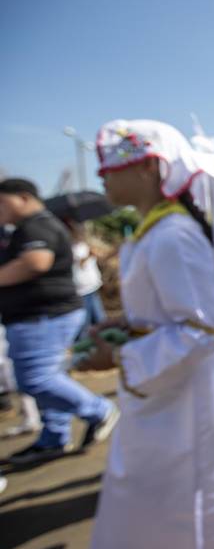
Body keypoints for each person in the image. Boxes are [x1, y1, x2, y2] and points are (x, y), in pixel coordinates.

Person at [82, 120, 214, 549]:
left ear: (150, 167)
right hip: (163, 403)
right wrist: (126, 326)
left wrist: (120, 354)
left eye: (113, 164)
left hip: (185, 416)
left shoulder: (173, 235)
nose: (103, 175)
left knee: (182, 528)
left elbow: (205, 332)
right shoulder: (157, 232)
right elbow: (174, 317)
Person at [0, 178, 117, 465]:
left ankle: (98, 409)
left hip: (44, 315)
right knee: (47, 375)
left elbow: (35, 262)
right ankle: (54, 436)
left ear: (23, 197)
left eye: (2, 201)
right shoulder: (29, 228)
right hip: (39, 314)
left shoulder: (37, 226)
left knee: (36, 378)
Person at [65, 219, 107, 339]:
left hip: (92, 287)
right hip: (82, 291)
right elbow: (80, 264)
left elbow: (100, 257)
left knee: (100, 319)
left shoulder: (83, 245)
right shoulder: (69, 247)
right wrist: (89, 256)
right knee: (85, 324)